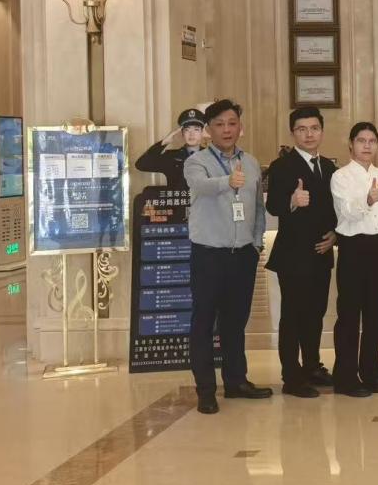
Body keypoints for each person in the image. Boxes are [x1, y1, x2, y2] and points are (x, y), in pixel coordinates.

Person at [184, 100, 269, 414]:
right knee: (204, 323)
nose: (227, 130)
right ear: (208, 130)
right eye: (219, 124)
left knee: (235, 323)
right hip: (209, 254)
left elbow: (257, 209)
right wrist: (227, 181)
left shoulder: (251, 162)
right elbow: (200, 186)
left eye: (232, 123)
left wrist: (256, 244)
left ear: (240, 127)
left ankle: (236, 381)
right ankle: (206, 390)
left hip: (242, 255)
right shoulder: (197, 161)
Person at [264, 106, 337, 398]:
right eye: (302, 129)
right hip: (293, 256)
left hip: (322, 252)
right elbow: (272, 207)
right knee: (293, 316)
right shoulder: (281, 166)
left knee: (315, 313)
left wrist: (335, 235)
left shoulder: (329, 168)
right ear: (293, 133)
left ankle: (312, 366)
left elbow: (336, 210)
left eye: (314, 128)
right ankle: (291, 377)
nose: (309, 134)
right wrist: (292, 201)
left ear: (322, 131)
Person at [329, 122, 378, 398]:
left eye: (372, 141)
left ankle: (371, 371)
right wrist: (367, 200)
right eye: (361, 140)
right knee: (349, 313)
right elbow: (345, 213)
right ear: (351, 144)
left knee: (375, 313)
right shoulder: (340, 177)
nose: (367, 146)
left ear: (377, 145)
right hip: (354, 246)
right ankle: (345, 376)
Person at [136, 107, 207, 189]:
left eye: (196, 129)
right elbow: (141, 164)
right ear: (182, 133)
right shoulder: (171, 156)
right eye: (187, 130)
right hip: (177, 197)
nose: (191, 134)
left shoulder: (212, 156)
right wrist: (164, 142)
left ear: (202, 132)